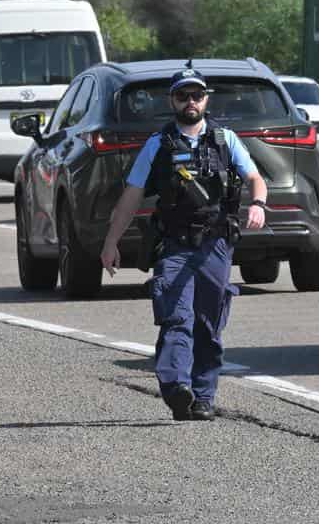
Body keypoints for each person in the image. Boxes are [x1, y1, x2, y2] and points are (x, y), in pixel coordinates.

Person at [100, 64, 267, 421]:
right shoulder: (157, 146)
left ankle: (203, 396)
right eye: (182, 96)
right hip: (175, 245)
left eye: (197, 95)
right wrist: (111, 242)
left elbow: (255, 177)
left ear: (206, 100)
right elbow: (131, 197)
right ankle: (177, 387)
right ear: (172, 101)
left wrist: (258, 204)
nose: (190, 102)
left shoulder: (225, 140)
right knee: (177, 317)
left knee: (209, 323)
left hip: (216, 245)